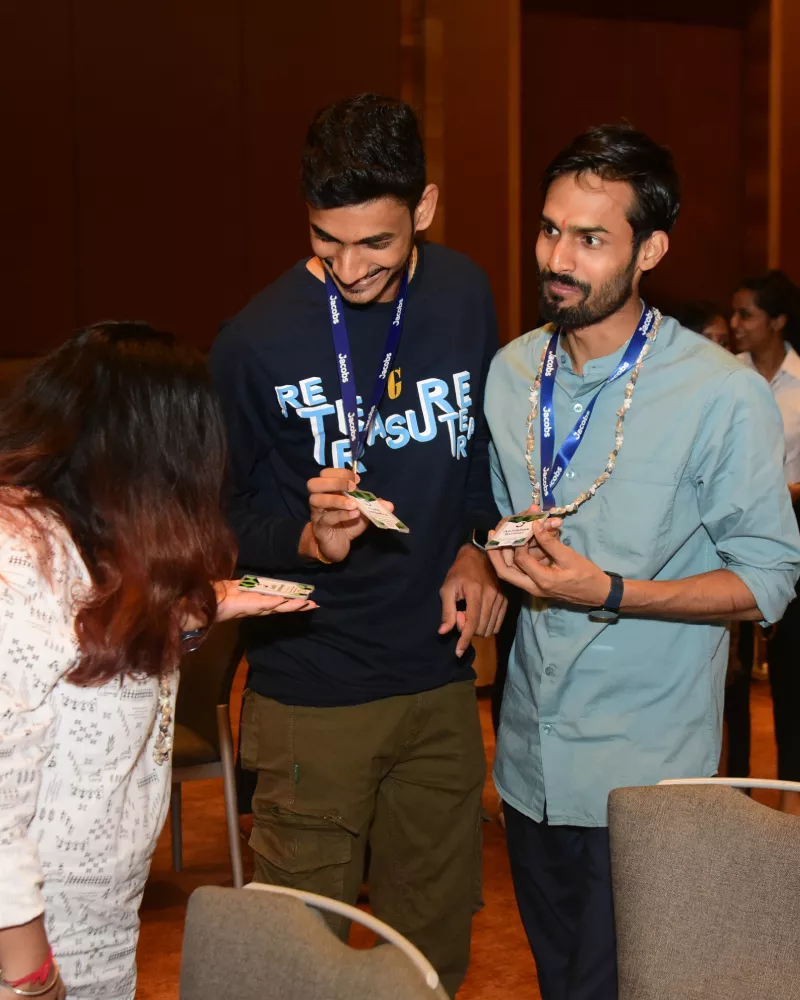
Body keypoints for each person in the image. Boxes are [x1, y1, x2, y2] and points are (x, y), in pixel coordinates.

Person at [484, 124, 800, 1000]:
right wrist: (483, 562)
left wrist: (612, 591)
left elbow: (769, 579)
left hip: (647, 774)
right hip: (528, 766)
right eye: (551, 230)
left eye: (591, 239)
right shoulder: (511, 374)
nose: (559, 258)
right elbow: (503, 521)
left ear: (650, 249)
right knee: (561, 985)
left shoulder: (719, 392)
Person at [210, 94, 504, 996]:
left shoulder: (463, 294)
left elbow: (479, 458)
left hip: (440, 685)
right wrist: (304, 536)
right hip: (313, 694)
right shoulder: (254, 340)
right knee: (300, 968)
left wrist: (476, 549)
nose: (348, 268)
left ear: (425, 207)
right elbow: (217, 524)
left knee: (430, 960)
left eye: (375, 242)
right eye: (325, 239)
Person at [0, 323, 315, 1000]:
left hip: (97, 924)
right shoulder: (17, 555)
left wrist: (199, 610)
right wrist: (29, 975)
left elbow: (85, 644)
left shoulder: (87, 530)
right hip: (32, 946)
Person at [732, 269, 800, 814]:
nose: (735, 324)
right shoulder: (724, 376)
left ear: (777, 321)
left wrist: (781, 491)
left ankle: (790, 804)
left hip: (796, 531)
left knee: (791, 680)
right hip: (731, 537)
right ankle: (733, 804)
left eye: (746, 314)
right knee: (730, 680)